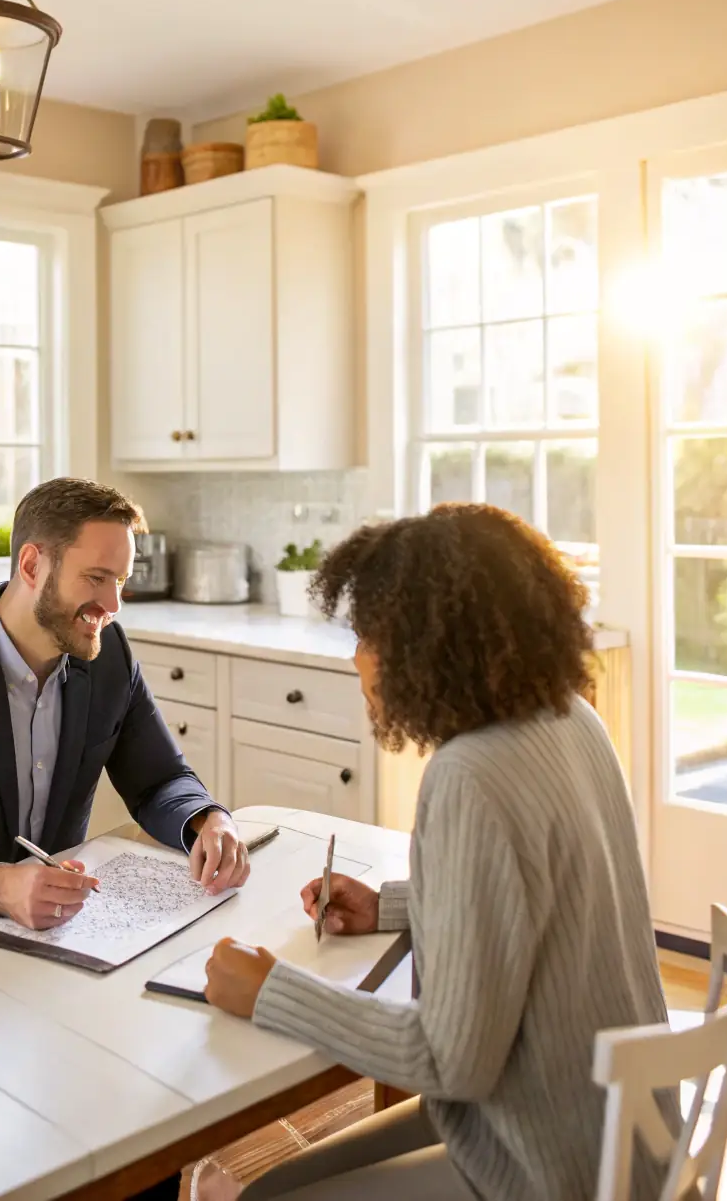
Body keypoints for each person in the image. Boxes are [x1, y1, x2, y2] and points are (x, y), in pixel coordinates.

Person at [197, 504, 671, 1201]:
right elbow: (536, 901)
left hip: (547, 1166)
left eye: (365, 635)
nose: (356, 657)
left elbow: (452, 1058)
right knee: (268, 1185)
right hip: (624, 1136)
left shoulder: (469, 774)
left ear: (425, 644)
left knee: (260, 1195)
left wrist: (272, 990)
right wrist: (397, 904)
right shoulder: (574, 717)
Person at [0, 477, 248, 928]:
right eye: (96, 578)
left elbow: (159, 779)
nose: (113, 604)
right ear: (32, 565)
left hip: (54, 937)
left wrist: (209, 821)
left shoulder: (108, 653)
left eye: (120, 581)